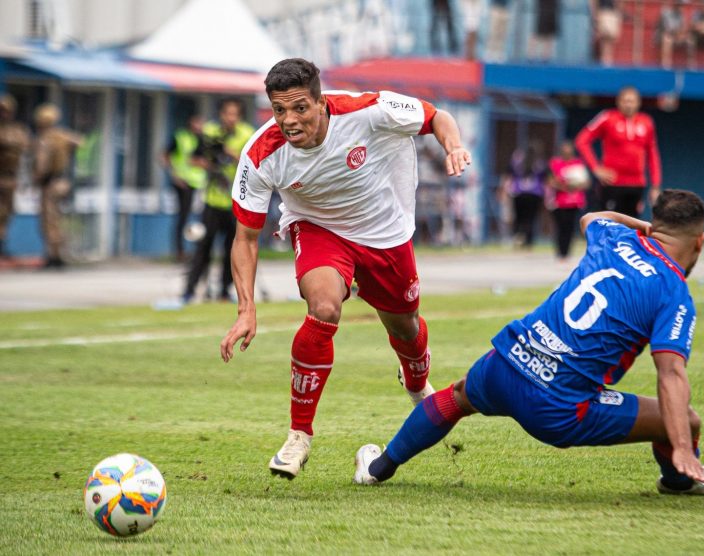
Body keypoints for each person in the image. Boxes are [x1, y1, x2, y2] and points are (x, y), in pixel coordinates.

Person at [353, 189, 704, 497]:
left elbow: (593, 217)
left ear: (654, 227)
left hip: (506, 362)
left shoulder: (614, 238)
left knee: (457, 397)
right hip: (556, 408)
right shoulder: (674, 292)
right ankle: (681, 478)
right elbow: (671, 374)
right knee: (686, 421)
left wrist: (643, 228)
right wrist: (684, 447)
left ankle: (377, 467)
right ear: (700, 242)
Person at [219, 58, 471, 479]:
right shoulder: (261, 155)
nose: (289, 120)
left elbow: (436, 116)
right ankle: (299, 435)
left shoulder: (367, 110)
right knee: (323, 307)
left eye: (299, 107)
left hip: (385, 231)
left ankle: (416, 386)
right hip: (319, 229)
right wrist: (246, 308)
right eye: (279, 110)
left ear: (322, 102)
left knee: (405, 327)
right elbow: (244, 238)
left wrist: (454, 146)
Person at [182, 99, 253, 303]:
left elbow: (252, 163)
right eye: (227, 113)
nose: (230, 118)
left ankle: (225, 290)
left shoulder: (246, 134)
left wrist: (231, 154)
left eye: (234, 114)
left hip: (235, 201)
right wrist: (208, 164)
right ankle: (189, 290)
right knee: (203, 247)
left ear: (239, 116)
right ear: (221, 114)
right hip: (212, 199)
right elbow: (193, 158)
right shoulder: (210, 131)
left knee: (232, 250)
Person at [575, 86, 662, 218]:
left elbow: (652, 154)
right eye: (625, 101)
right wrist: (596, 168)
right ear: (618, 102)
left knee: (631, 227)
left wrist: (655, 185)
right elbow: (582, 141)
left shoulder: (647, 122)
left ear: (638, 103)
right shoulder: (607, 117)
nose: (628, 105)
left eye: (632, 101)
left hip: (637, 184)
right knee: (609, 226)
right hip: (612, 183)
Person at [32, 103, 82, 269]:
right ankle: (60, 254)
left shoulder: (45, 139)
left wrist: (36, 179)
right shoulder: (62, 135)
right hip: (63, 182)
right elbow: (79, 141)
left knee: (49, 220)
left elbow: (42, 164)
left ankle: (54, 256)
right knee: (59, 219)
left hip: (50, 183)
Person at [161, 114, 207, 262]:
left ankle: (200, 251)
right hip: (183, 182)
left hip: (200, 183)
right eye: (197, 122)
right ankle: (179, 252)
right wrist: (173, 174)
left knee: (204, 217)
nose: (199, 125)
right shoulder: (180, 137)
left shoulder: (203, 139)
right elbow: (164, 155)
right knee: (183, 216)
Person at [0, 94, 31, 259]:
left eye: (6, 111)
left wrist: (26, 181)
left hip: (10, 177)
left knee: (7, 212)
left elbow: (26, 155)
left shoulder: (18, 131)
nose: (4, 114)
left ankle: (2, 244)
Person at [547, 140, 588, 262]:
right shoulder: (555, 163)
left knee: (570, 228)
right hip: (559, 202)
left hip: (574, 202)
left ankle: (567, 253)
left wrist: (576, 186)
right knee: (560, 227)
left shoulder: (578, 163)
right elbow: (551, 181)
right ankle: (560, 252)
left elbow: (586, 182)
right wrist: (565, 187)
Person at [502, 145, 546, 249]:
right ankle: (528, 241)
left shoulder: (517, 161)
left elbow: (508, 175)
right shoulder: (539, 163)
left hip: (519, 193)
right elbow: (545, 178)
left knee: (519, 217)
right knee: (530, 218)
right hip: (534, 194)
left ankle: (518, 237)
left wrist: (504, 190)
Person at [656, 0, 691, 70]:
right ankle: (666, 66)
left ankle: (690, 66)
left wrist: (682, 35)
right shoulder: (666, 13)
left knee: (690, 40)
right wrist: (679, 33)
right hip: (661, 37)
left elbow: (683, 29)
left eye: (683, 5)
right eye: (680, 5)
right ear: (676, 4)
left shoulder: (682, 15)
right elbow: (668, 30)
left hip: (675, 36)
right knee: (667, 39)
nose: (682, 7)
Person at [591, 0, 622, 66]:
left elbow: (619, 2)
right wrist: (596, 14)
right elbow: (594, 2)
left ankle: (608, 63)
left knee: (610, 42)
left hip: (612, 14)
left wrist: (618, 14)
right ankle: (604, 63)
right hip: (603, 12)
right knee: (604, 41)